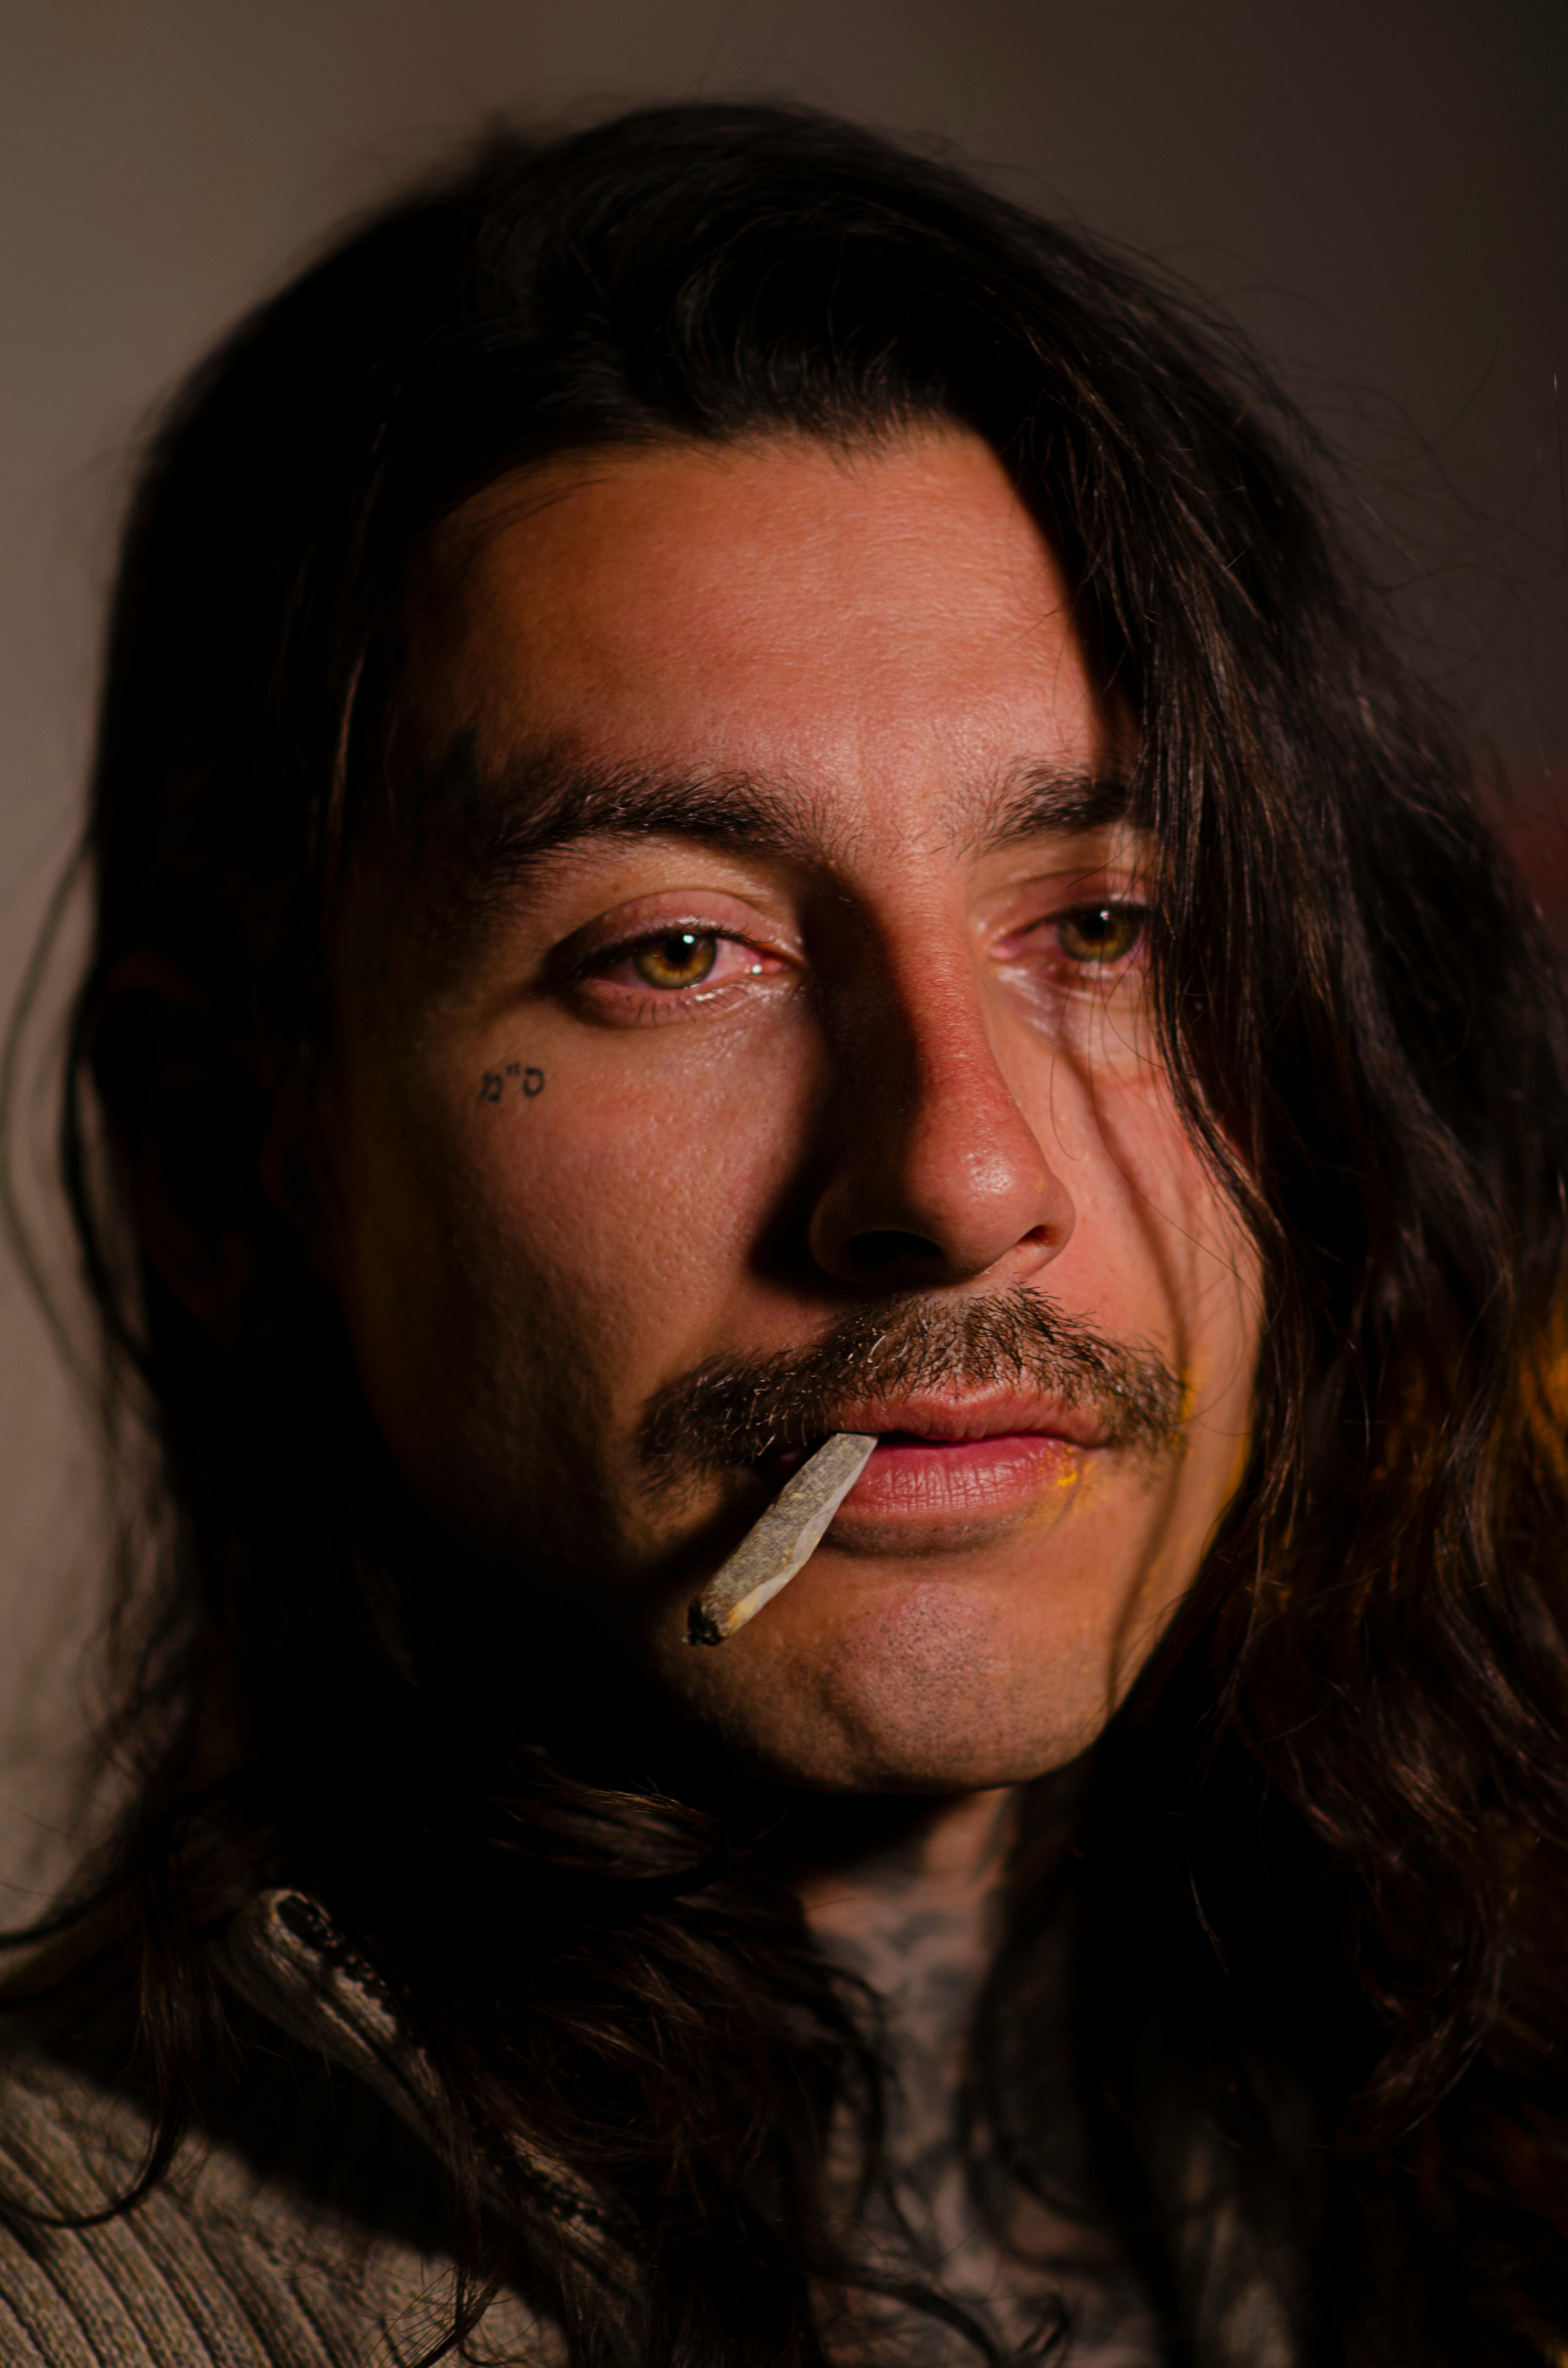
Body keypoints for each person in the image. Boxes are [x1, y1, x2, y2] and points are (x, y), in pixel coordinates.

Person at [0, 99, 1565, 2368]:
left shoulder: (1458, 2151)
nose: (960, 1174)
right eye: (675, 951)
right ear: (233, 1160)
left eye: (1103, 923)